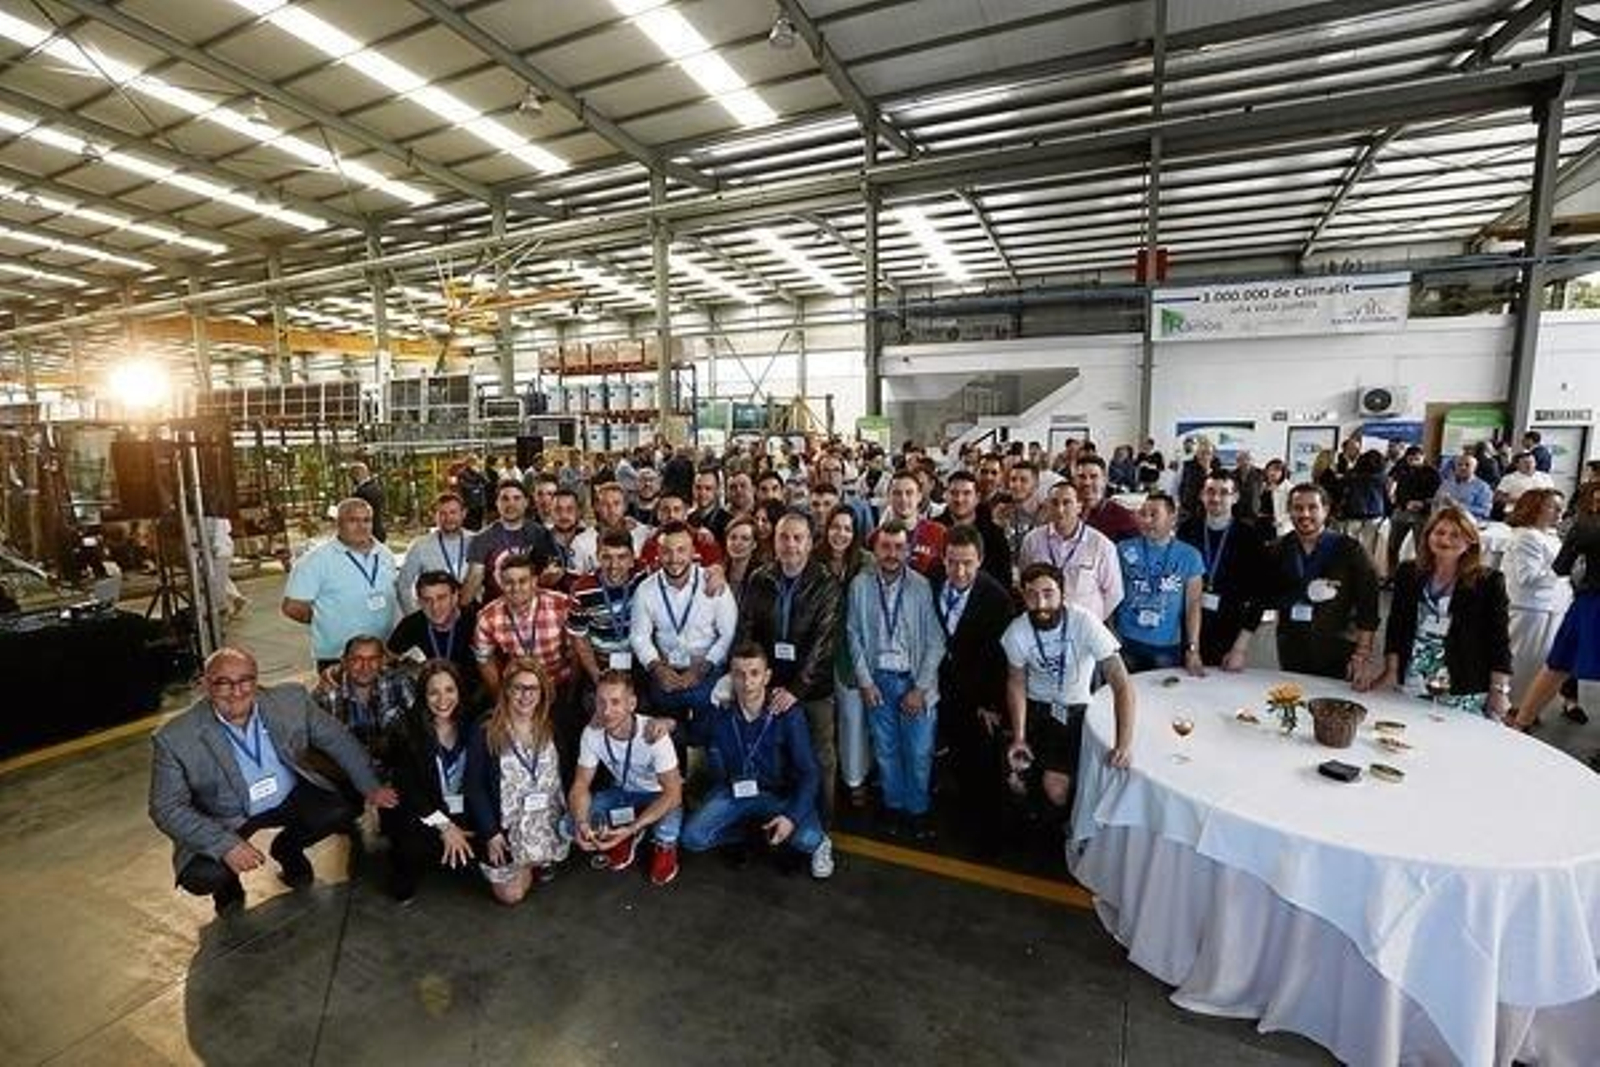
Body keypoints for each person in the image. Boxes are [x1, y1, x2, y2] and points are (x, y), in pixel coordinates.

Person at [149, 647, 397, 913]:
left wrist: (370, 786)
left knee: (341, 808)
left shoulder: (291, 701)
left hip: (289, 796)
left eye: (246, 680)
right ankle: (228, 885)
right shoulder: (175, 738)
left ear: (257, 681)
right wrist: (225, 845)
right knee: (203, 875)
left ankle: (288, 848)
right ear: (205, 685)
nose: (237, 691)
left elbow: (338, 739)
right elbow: (165, 807)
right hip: (227, 815)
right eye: (223, 683)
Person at [678, 643, 833, 879]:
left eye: (754, 673)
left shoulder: (788, 714)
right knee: (692, 837)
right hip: (736, 792)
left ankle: (818, 840)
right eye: (739, 674)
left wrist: (791, 818)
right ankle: (751, 833)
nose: (747, 681)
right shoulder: (721, 711)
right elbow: (693, 735)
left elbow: (809, 772)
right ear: (730, 676)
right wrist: (668, 724)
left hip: (779, 794)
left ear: (766, 676)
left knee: (809, 840)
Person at [1003, 564, 1135, 825]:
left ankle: (1059, 836)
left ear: (1063, 594)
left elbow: (1122, 684)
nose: (1041, 603)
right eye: (1031, 595)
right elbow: (1016, 683)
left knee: (1056, 787)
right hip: (1036, 707)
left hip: (1076, 710)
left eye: (1048, 593)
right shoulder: (1016, 631)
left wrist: (1124, 743)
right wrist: (1019, 736)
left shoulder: (1085, 622)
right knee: (1016, 777)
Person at [737, 511, 841, 820]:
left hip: (811, 689)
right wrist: (757, 681)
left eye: (798, 538)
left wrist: (796, 689)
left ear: (810, 543)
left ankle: (821, 825)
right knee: (776, 757)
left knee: (820, 758)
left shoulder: (826, 583)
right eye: (784, 537)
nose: (790, 545)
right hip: (767, 684)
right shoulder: (760, 578)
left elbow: (824, 644)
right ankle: (781, 822)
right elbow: (747, 630)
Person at [845, 519, 945, 838]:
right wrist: (864, 681)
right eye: (885, 547)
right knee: (886, 750)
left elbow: (935, 641)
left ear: (908, 550)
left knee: (918, 751)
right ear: (874, 549)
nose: (892, 553)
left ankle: (917, 811)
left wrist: (920, 688)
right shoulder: (860, 585)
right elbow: (853, 635)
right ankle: (893, 807)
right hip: (878, 682)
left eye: (899, 547)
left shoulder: (920, 585)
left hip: (914, 681)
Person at [1377, 508, 1512, 718]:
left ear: (1471, 541)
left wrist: (1499, 690)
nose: (1445, 540)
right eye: (1439, 532)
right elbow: (1396, 627)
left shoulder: (1489, 582)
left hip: (1462, 682)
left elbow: (1499, 640)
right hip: (1413, 677)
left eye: (1455, 534)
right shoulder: (1408, 573)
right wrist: (1391, 671)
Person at [933, 525, 1015, 852]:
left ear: (980, 559)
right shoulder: (933, 581)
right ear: (943, 558)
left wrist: (992, 704)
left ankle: (989, 836)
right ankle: (960, 818)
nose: (959, 570)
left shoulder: (997, 599)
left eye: (967, 562)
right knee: (955, 756)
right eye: (952, 561)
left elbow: (1001, 660)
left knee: (983, 764)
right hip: (945, 689)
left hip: (981, 698)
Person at [464, 657, 570, 905]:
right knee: (511, 896)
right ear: (506, 690)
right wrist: (491, 832)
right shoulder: (486, 729)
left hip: (546, 819)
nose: (525, 696)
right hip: (507, 828)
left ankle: (538, 858)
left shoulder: (552, 724)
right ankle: (524, 861)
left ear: (542, 692)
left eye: (532, 688)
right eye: (518, 688)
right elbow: (474, 785)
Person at [568, 671, 684, 885]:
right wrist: (582, 822)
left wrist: (632, 827)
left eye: (615, 702)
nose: (606, 711)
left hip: (658, 795)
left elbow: (674, 794)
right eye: (601, 702)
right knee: (569, 824)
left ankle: (654, 841)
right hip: (624, 792)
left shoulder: (654, 733)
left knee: (668, 831)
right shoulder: (591, 732)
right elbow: (581, 784)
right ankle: (622, 833)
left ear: (632, 703)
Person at [380, 660, 480, 902]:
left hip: (464, 808)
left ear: (459, 691)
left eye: (449, 690)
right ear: (423, 695)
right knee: (410, 856)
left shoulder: (475, 725)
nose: (442, 699)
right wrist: (445, 826)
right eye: (433, 692)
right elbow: (410, 792)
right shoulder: (406, 731)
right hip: (424, 811)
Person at [1510, 480, 1600, 740]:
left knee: (1557, 664)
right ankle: (1523, 720)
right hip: (1588, 603)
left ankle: (1521, 722)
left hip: (1590, 602)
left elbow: (1561, 568)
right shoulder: (1584, 527)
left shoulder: (1585, 526)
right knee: (1557, 664)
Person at [471, 552, 577, 771]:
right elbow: (484, 659)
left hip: (558, 683)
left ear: (535, 581)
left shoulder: (562, 605)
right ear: (500, 583)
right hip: (517, 691)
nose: (515, 588)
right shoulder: (488, 616)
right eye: (508, 582)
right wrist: (501, 694)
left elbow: (576, 652)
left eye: (522, 581)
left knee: (565, 738)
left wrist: (572, 691)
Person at [1266, 483, 1381, 683]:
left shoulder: (1350, 550)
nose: (1305, 514)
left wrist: (1362, 653)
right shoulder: (1278, 549)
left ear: (1326, 510)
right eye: (1298, 508)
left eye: (1312, 507)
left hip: (1338, 647)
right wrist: (1298, 593)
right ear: (1289, 511)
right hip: (1291, 644)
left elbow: (1368, 606)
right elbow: (1266, 596)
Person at [630, 522, 739, 731]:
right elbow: (639, 637)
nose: (674, 559)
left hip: (707, 672)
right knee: (665, 732)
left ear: (693, 552)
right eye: (666, 551)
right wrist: (657, 667)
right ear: (658, 553)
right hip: (666, 673)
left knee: (707, 731)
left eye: (681, 550)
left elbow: (728, 634)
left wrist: (703, 668)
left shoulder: (713, 584)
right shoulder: (645, 590)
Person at [282, 498, 401, 670]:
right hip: (338, 656)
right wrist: (327, 619)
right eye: (353, 520)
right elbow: (292, 607)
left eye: (366, 520)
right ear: (338, 523)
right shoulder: (316, 560)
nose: (361, 526)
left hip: (383, 652)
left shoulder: (384, 554)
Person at [1502, 489, 1584, 724]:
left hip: (1551, 607)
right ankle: (1511, 708)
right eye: (1553, 507)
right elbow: (1528, 577)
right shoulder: (1526, 537)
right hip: (1530, 609)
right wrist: (1563, 569)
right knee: (1521, 661)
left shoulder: (1549, 535)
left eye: (1561, 506)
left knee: (1538, 663)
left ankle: (1524, 707)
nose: (1560, 512)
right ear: (1535, 508)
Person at [1178, 472, 1269, 670]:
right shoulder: (1186, 531)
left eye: (1224, 493)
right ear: (1202, 495)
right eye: (1210, 491)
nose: (1216, 498)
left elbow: (1259, 597)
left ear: (1235, 497)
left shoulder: (1250, 538)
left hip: (1230, 630)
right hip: (1188, 628)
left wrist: (1240, 648)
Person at [1112, 492, 1205, 675]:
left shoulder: (1190, 556)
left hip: (1166, 646)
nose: (1147, 520)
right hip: (1127, 641)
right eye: (1143, 513)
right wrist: (1111, 633)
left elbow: (1193, 605)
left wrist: (1193, 648)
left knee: (1162, 699)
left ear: (1172, 518)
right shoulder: (1123, 549)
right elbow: (1111, 593)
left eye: (1154, 514)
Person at [1019, 481, 1123, 622]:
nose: (1060, 509)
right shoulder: (1032, 540)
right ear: (1047, 506)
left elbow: (1114, 593)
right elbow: (1026, 582)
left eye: (1067, 503)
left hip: (1084, 628)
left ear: (1079, 506)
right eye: (1054, 503)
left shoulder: (1101, 545)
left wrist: (1092, 622)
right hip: (1044, 623)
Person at [312, 634, 415, 764]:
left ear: (383, 661)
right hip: (345, 773)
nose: (365, 667)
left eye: (373, 659)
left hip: (398, 768)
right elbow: (312, 744)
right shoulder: (326, 695)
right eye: (357, 659)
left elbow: (422, 722)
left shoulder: (400, 683)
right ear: (344, 661)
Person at [387, 570, 480, 705]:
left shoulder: (476, 621)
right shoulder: (412, 624)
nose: (435, 607)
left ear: (455, 597)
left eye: (441, 598)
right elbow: (388, 659)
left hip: (473, 698)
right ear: (419, 601)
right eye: (427, 600)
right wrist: (412, 667)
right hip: (434, 698)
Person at [567, 529, 646, 684]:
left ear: (632, 559)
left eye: (621, 557)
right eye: (606, 557)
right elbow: (579, 638)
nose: (614, 565)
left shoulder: (642, 575)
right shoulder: (582, 590)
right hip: (602, 663)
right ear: (597, 557)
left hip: (639, 661)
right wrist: (595, 674)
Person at [462, 479, 558, 606]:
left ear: (526, 502)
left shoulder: (541, 534)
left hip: (533, 609)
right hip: (496, 612)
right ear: (497, 503)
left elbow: (550, 574)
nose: (511, 504)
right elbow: (474, 579)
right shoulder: (482, 538)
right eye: (505, 499)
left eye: (516, 498)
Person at [396, 492, 474, 613]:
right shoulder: (420, 546)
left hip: (470, 612)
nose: (448, 518)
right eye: (442, 513)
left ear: (463, 513)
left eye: (453, 512)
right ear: (434, 516)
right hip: (434, 615)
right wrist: (414, 615)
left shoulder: (476, 542)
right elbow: (403, 585)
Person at [936, 470, 1011, 587]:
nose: (959, 499)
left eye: (966, 493)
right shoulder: (934, 528)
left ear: (977, 497)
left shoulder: (995, 534)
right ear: (946, 496)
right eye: (954, 493)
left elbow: (1004, 579)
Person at [875, 470, 947, 578]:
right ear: (889, 497)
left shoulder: (939, 533)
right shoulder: (876, 537)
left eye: (909, 493)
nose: (903, 499)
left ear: (919, 496)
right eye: (897, 493)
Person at [1387, 445, 1442, 579]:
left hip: (1422, 514)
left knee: (1421, 548)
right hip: (1402, 510)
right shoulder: (1402, 469)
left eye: (1417, 459)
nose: (1413, 462)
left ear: (1423, 457)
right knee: (1392, 546)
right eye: (1410, 459)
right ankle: (1392, 575)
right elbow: (1395, 489)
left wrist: (1423, 504)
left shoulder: (1432, 473)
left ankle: (1421, 576)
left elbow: (1438, 496)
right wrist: (1401, 502)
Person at [638, 492, 724, 570]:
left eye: (677, 509)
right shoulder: (650, 544)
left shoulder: (704, 540)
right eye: (665, 510)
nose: (671, 515)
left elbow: (716, 571)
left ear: (685, 513)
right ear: (658, 514)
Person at [1339, 449, 1389, 566]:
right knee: (1369, 548)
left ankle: (1350, 568)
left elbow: (1343, 493)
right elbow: (1386, 498)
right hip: (1375, 514)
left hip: (1353, 512)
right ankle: (1367, 570)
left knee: (1350, 546)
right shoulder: (1382, 478)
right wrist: (1387, 514)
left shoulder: (1351, 475)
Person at [1075, 455, 1139, 542]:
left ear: (1105, 480)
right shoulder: (1065, 512)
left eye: (1093, 477)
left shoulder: (1123, 519)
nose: (1087, 482)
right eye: (1081, 477)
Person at [721, 513, 764, 607]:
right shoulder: (720, 571)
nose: (737, 543)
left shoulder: (763, 577)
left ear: (754, 544)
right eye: (733, 538)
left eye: (745, 539)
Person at [1436, 454, 1492, 521]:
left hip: (1468, 523)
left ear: (1474, 468)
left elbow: (1485, 511)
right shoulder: (1446, 484)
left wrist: (1459, 506)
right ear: (1455, 467)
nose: (1463, 467)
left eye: (1467, 465)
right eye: (1459, 465)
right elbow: (1436, 502)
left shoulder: (1482, 487)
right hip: (1444, 521)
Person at [689, 468, 731, 545]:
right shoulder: (689, 519)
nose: (702, 493)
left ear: (717, 491)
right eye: (698, 488)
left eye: (708, 488)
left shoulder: (728, 521)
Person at [350, 461, 387, 543]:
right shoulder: (377, 488)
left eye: (352, 475)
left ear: (358, 474)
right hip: (378, 530)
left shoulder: (362, 492)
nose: (351, 479)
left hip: (366, 533)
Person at [453, 453, 491, 530]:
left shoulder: (479, 472)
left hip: (480, 502)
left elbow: (487, 482)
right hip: (469, 503)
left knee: (479, 524)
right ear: (467, 462)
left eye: (475, 461)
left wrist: (479, 473)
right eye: (472, 461)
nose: (474, 463)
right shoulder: (462, 473)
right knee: (470, 525)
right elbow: (465, 487)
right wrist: (478, 487)